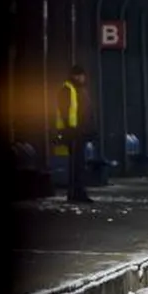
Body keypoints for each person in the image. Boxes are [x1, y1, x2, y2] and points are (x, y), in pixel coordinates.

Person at [56, 65, 94, 203]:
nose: (83, 78)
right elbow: (65, 112)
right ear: (76, 76)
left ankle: (78, 192)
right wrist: (69, 130)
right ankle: (75, 193)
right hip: (73, 132)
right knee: (76, 164)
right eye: (81, 75)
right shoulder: (68, 90)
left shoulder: (78, 90)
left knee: (79, 164)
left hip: (79, 132)